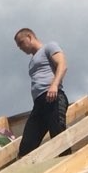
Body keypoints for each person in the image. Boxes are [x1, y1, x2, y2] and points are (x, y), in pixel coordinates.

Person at [13, 28, 69, 157]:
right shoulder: (32, 62)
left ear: (29, 37)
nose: (20, 48)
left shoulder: (49, 47)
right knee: (27, 145)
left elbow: (62, 64)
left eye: (21, 43)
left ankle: (66, 163)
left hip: (53, 97)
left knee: (58, 134)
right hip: (39, 104)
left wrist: (54, 85)